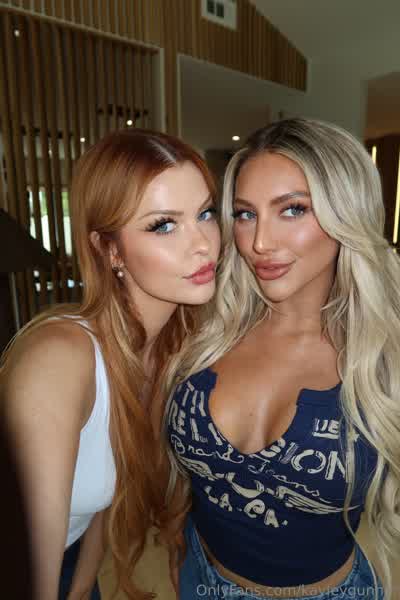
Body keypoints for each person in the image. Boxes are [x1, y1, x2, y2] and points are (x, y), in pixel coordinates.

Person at [165, 118, 400, 599]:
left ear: (346, 213)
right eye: (245, 214)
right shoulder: (203, 328)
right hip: (198, 575)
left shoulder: (385, 357)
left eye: (292, 209)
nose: (259, 243)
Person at [0, 128, 220, 600]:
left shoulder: (165, 352)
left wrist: (82, 589)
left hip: (70, 559)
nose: (203, 243)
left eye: (205, 213)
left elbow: (111, 490)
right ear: (109, 249)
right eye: (164, 225)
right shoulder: (59, 361)